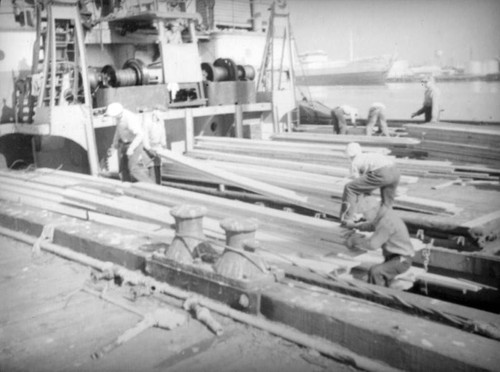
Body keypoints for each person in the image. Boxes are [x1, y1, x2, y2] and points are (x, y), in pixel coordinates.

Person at [344, 196, 414, 287]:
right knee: (377, 274)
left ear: (374, 209)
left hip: (402, 260)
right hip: (393, 257)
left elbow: (372, 245)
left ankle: (377, 295)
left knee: (375, 271)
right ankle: (385, 288)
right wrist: (355, 226)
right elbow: (372, 226)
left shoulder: (386, 221)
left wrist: (355, 241)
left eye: (365, 214)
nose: (364, 217)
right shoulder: (383, 214)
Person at [340, 142, 400, 224]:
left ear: (349, 155)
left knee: (350, 188)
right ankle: (386, 222)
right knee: (387, 202)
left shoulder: (355, 162)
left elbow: (357, 188)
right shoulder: (368, 156)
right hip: (395, 171)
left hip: (382, 172)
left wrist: (356, 209)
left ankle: (347, 219)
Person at [107, 102, 153, 183]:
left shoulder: (129, 118)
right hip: (125, 144)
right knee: (123, 169)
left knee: (133, 168)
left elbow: (140, 135)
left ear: (118, 113)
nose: (113, 118)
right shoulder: (119, 118)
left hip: (135, 144)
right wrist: (114, 144)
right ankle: (126, 187)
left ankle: (152, 187)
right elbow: (118, 130)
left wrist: (131, 148)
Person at [141, 105, 167, 184]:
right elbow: (144, 140)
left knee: (158, 171)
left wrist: (164, 145)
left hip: (157, 149)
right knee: (152, 172)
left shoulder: (160, 122)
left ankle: (159, 188)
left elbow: (163, 134)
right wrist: (149, 150)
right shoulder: (147, 123)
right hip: (148, 150)